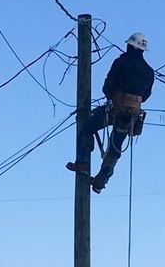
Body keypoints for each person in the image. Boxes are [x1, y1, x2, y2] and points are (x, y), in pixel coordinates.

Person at [66, 32, 154, 193]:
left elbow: (108, 86)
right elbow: (146, 96)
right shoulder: (149, 72)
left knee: (87, 128)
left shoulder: (121, 62)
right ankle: (102, 179)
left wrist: (111, 95)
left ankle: (83, 162)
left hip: (115, 109)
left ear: (130, 46)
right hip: (132, 116)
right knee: (115, 147)